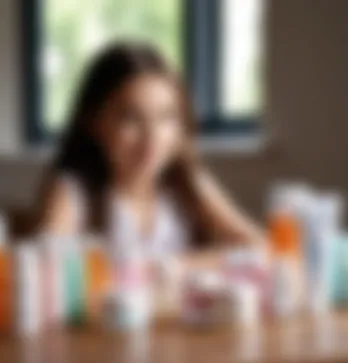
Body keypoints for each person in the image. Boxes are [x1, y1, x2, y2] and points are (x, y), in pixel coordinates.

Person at [37, 42, 265, 270]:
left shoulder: (188, 182)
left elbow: (259, 246)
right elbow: (48, 267)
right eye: (131, 118)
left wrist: (174, 265)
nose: (152, 137)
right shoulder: (73, 191)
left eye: (166, 117)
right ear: (93, 122)